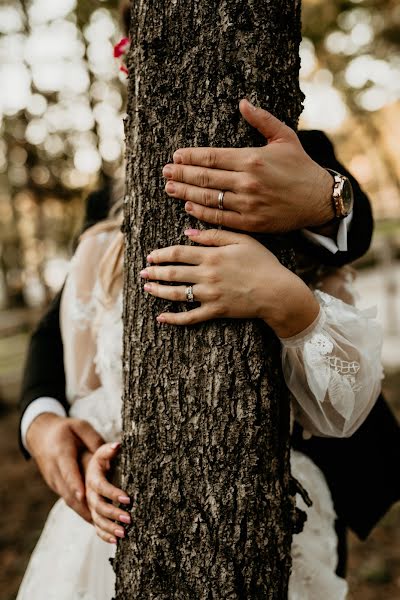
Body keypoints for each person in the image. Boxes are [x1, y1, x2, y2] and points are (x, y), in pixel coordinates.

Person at [17, 105, 384, 599]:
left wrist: (324, 196)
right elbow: (59, 329)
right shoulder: (107, 215)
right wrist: (41, 422)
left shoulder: (301, 152)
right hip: (118, 521)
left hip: (288, 498)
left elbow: (354, 227)